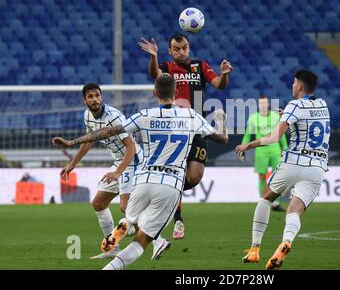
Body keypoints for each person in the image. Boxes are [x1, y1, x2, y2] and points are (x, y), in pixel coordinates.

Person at [53, 73, 228, 270]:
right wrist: (221, 121)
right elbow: (222, 139)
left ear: (154, 92)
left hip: (145, 176)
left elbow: (111, 131)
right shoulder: (191, 116)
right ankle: (137, 237)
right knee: (142, 238)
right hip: (170, 183)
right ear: (176, 92)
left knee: (128, 214)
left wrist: (71, 142)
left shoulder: (145, 115)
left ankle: (124, 226)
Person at [57, 83, 170, 260]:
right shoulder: (88, 116)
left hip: (133, 161)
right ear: (84, 99)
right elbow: (88, 141)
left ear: (101, 97)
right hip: (119, 162)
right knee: (99, 203)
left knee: (126, 207)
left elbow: (131, 147)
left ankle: (158, 240)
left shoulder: (114, 117)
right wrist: (73, 163)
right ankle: (113, 248)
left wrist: (118, 172)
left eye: (97, 95)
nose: (94, 99)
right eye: (90, 96)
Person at [138, 34, 233, 239]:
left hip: (196, 126)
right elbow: (156, 75)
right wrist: (153, 57)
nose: (181, 52)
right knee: (177, 173)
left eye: (185, 48)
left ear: (188, 48)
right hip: (175, 130)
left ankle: (165, 195)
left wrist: (224, 74)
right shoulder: (167, 67)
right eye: (176, 49)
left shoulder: (200, 66)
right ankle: (178, 218)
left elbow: (219, 84)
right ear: (171, 51)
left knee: (194, 177)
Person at [235, 70, 330, 269]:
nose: (292, 86)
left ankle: (254, 249)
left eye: (294, 83)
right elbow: (307, 122)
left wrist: (248, 145)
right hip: (317, 166)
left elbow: (273, 138)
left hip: (294, 161)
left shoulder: (294, 105)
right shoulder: (323, 105)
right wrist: (285, 115)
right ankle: (286, 242)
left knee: (265, 197)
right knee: (294, 210)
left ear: (300, 87)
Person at [241, 95, 288, 211]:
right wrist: (243, 149)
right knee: (262, 177)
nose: (262, 105)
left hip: (275, 149)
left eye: (264, 103)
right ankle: (265, 200)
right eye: (260, 103)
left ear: (268, 104)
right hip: (261, 151)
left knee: (278, 175)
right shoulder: (253, 118)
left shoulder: (275, 116)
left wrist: (285, 147)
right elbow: (248, 135)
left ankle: (274, 201)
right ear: (258, 105)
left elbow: (279, 134)